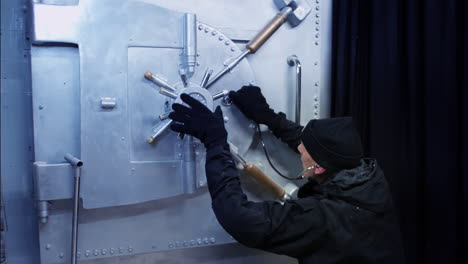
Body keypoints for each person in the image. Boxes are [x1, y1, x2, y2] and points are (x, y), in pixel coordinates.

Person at [168, 85, 405, 264]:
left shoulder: (321, 219)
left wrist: (215, 141)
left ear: (319, 168)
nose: (299, 151)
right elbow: (315, 145)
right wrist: (269, 117)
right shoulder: (367, 176)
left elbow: (238, 218)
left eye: (302, 152)